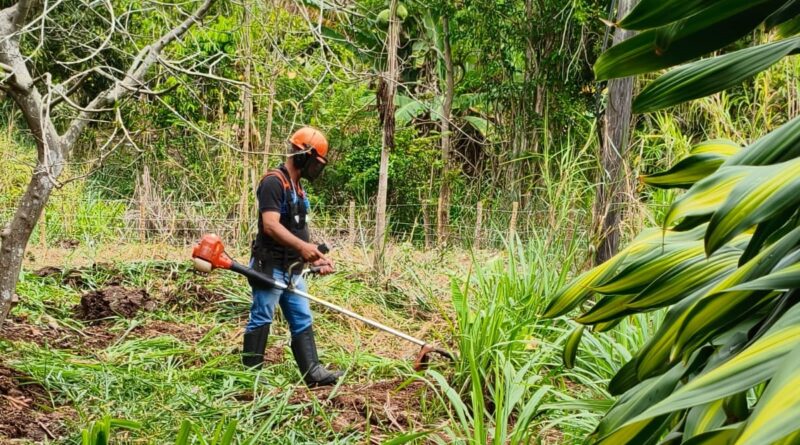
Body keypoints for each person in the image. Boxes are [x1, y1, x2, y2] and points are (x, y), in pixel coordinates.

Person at [242, 126, 343, 387]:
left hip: (293, 269)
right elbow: (271, 225)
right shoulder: (273, 182)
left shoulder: (298, 189)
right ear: (302, 156)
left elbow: (297, 230)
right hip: (270, 266)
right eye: (315, 162)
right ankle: (250, 377)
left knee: (302, 317)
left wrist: (315, 257)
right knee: (262, 316)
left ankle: (313, 372)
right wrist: (303, 248)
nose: (316, 169)